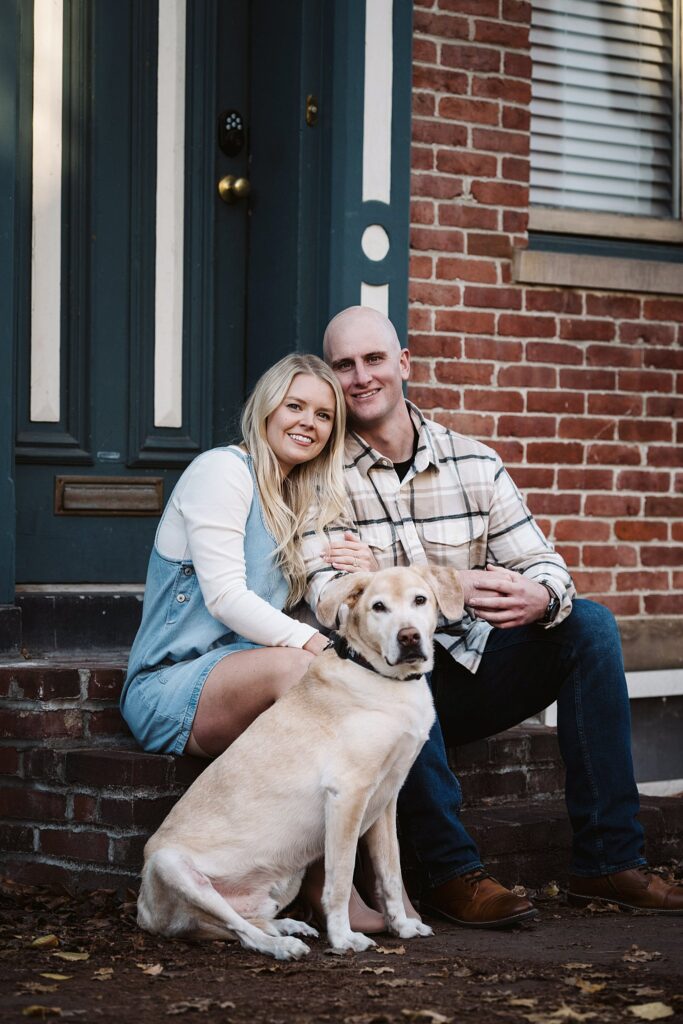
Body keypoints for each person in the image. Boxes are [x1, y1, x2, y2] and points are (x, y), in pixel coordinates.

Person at [302, 305, 683, 927]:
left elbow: (543, 562)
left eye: (374, 359)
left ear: (404, 364)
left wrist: (544, 597)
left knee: (589, 625)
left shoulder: (473, 463)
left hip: (473, 672)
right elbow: (326, 599)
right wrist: (432, 584)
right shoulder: (319, 477)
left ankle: (610, 863)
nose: (361, 377)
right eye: (344, 366)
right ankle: (451, 874)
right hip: (382, 686)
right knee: (397, 666)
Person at [121, 352, 392, 931]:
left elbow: (326, 603)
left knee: (353, 701)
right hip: (172, 684)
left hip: (243, 674)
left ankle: (350, 883)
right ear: (266, 409)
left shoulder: (305, 498)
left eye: (323, 415)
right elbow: (224, 598)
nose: (308, 423)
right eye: (295, 406)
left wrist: (363, 570)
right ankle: (329, 891)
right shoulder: (222, 471)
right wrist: (317, 648)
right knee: (304, 676)